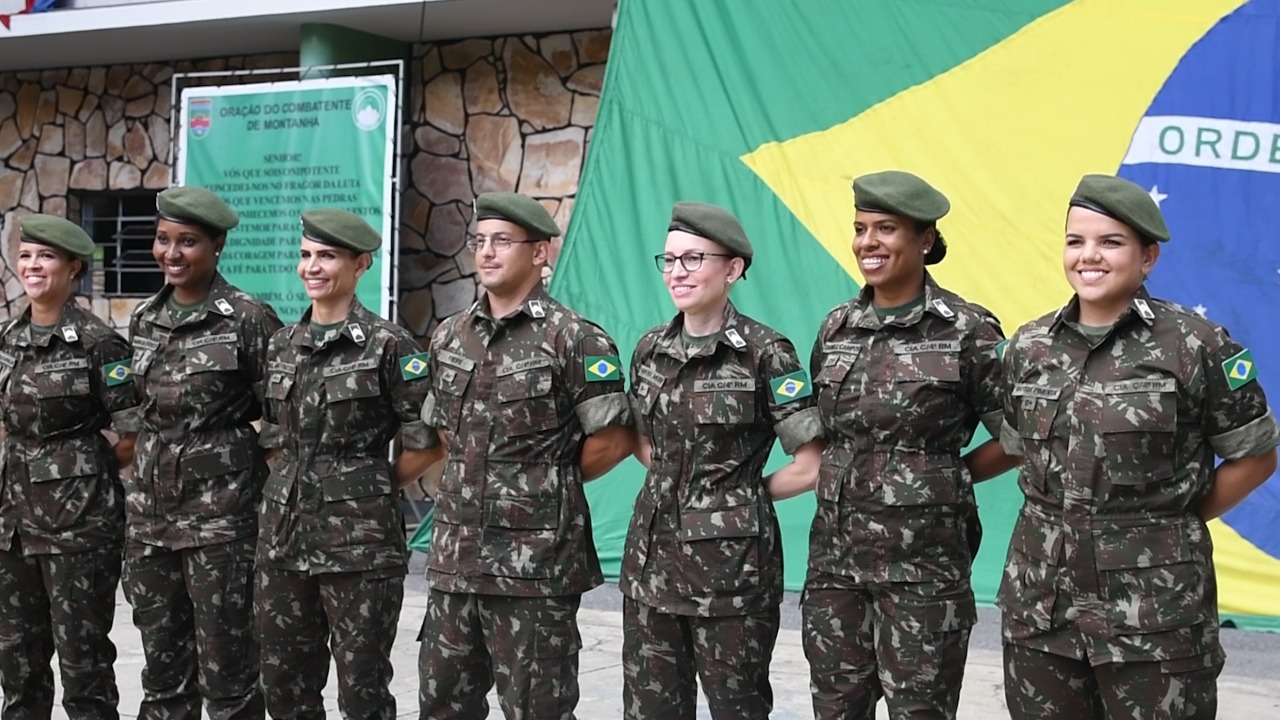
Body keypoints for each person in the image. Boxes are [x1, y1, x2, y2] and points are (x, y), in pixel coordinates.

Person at [997, 174, 1279, 720]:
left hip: (1155, 612)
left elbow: (1256, 454)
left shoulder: (1198, 344)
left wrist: (1175, 522)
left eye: (1111, 242)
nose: (1089, 256)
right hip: (1042, 609)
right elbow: (1019, 449)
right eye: (1076, 241)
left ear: (1147, 257)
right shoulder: (1029, 347)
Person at [803, 171, 1016, 719]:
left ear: (924, 239)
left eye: (886, 229)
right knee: (835, 707)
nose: (868, 243)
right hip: (836, 565)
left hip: (924, 567)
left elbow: (1018, 437)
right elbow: (830, 435)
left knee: (920, 710)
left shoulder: (968, 331)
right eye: (860, 228)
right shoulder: (837, 328)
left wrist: (952, 474)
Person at [417, 192, 634, 720]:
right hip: (455, 564)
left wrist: (543, 483)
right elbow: (445, 429)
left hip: (534, 569)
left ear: (540, 253)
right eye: (480, 242)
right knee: (441, 705)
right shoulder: (449, 336)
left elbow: (613, 438)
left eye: (503, 242)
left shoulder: (575, 338)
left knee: (538, 708)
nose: (487, 253)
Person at [620, 201, 823, 719]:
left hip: (731, 578)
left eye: (693, 258)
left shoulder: (766, 353)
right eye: (669, 260)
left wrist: (739, 493)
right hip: (650, 570)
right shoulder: (651, 349)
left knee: (738, 709)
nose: (678, 272)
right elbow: (643, 441)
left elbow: (812, 462)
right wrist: (678, 480)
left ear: (732, 269)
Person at [255, 209, 440, 720]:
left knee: (362, 687)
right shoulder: (282, 345)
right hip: (284, 540)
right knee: (284, 684)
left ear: (361, 264)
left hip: (360, 544)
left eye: (327, 256)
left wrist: (371, 486)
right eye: (306, 255)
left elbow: (427, 442)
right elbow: (273, 436)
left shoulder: (389, 345)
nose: (312, 267)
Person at [123, 186, 281, 720]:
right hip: (150, 524)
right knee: (161, 669)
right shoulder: (144, 318)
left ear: (217, 247)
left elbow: (282, 417)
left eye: (187, 242)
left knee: (230, 673)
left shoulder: (248, 318)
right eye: (163, 240)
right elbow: (136, 411)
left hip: (223, 527)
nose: (172, 253)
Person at [0, 214, 140, 719]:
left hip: (79, 530)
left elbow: (132, 433)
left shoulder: (99, 343)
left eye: (46, 256)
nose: (33, 265)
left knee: (84, 667)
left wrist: (83, 474)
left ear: (73, 266)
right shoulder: (7, 338)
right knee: (17, 664)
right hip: (12, 530)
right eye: (26, 256)